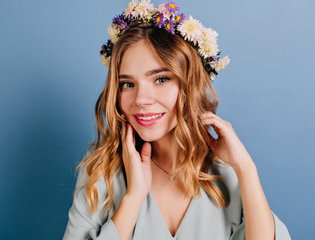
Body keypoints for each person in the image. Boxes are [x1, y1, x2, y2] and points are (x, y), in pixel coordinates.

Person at [63, 1, 291, 239]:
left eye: (161, 79)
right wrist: (134, 196)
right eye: (127, 84)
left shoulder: (228, 171)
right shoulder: (102, 171)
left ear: (189, 84)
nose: (141, 99)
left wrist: (246, 168)